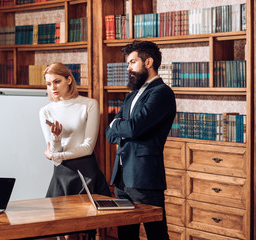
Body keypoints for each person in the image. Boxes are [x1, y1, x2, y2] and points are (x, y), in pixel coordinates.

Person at [106, 40, 176, 240]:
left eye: (132, 62)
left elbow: (134, 128)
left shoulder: (162, 93)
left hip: (144, 177)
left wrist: (118, 124)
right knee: (126, 236)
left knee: (157, 235)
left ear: (148, 62)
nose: (128, 68)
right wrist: (119, 126)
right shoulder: (132, 95)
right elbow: (109, 133)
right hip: (121, 179)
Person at [39, 62, 111, 240]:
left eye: (57, 81)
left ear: (69, 80)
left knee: (89, 230)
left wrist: (57, 155)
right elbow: (54, 154)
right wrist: (56, 138)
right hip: (62, 174)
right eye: (49, 84)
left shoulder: (89, 104)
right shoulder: (46, 111)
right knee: (63, 232)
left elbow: (88, 147)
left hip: (86, 172)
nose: (53, 87)